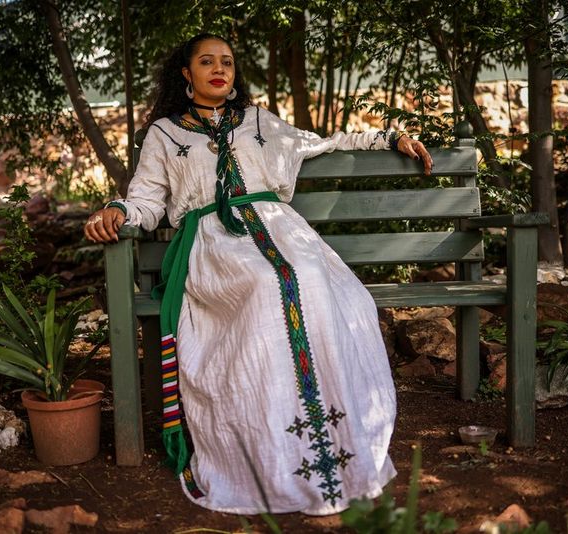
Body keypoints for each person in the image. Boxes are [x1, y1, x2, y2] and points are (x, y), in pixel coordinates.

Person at [84, 33, 432, 516]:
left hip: (279, 230)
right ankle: (267, 448)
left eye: (226, 61)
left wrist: (390, 137)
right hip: (214, 244)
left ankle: (330, 446)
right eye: (206, 61)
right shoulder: (165, 134)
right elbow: (146, 199)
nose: (218, 68)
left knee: (308, 279)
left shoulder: (258, 121)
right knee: (269, 285)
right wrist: (118, 212)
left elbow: (325, 142)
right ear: (186, 73)